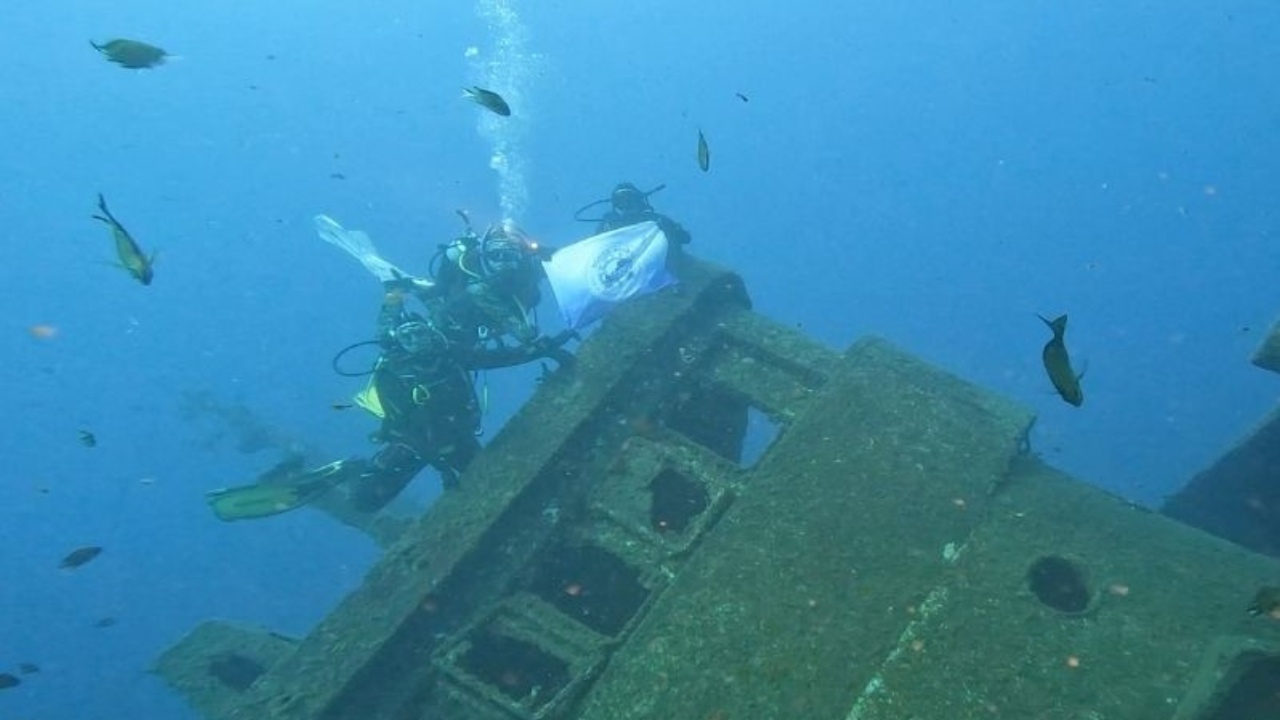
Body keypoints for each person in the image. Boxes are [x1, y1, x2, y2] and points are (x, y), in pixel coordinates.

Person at [207, 220, 574, 520]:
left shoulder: (453, 354)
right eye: (411, 336)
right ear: (402, 343)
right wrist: (441, 465)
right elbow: (410, 427)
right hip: (414, 445)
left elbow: (502, 358)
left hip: (457, 438)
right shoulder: (397, 372)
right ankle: (348, 469)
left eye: (424, 333)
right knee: (363, 502)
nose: (421, 342)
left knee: (490, 485)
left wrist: (547, 348)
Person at [574, 182, 692, 247]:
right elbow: (591, 249)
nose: (627, 206)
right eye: (621, 202)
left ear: (639, 202)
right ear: (615, 205)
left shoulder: (654, 221)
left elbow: (685, 238)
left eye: (630, 201)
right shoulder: (608, 225)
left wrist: (670, 229)